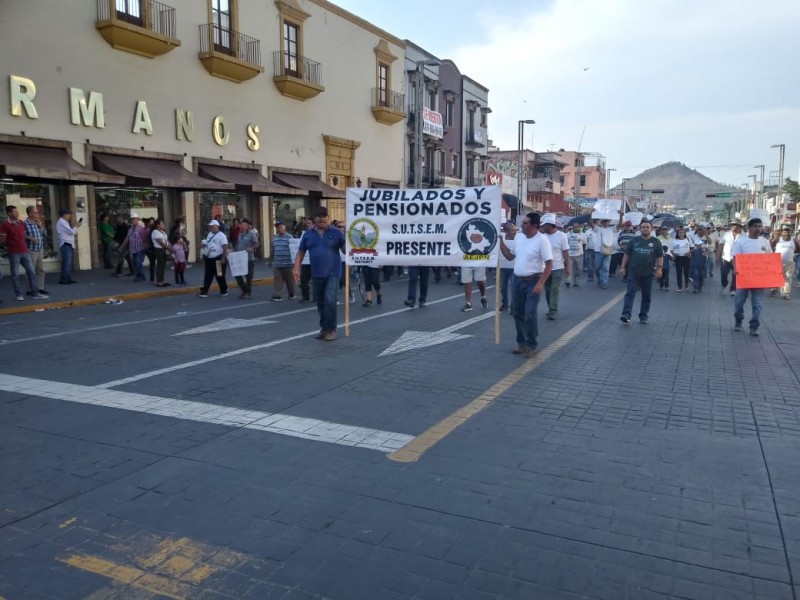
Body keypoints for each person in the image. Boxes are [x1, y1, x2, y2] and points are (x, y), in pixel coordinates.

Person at [499, 212, 553, 357]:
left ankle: (531, 345)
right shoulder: (520, 237)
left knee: (530, 314)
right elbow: (510, 256)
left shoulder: (542, 240)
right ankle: (521, 343)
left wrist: (541, 283)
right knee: (517, 312)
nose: (522, 225)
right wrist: (500, 242)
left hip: (533, 281)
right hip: (517, 280)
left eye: (526, 223)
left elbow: (549, 264)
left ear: (535, 226)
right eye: (522, 222)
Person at [293, 206, 345, 341]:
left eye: (324, 216)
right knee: (320, 303)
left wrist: (351, 242)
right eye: (319, 216)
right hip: (316, 273)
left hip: (333, 273)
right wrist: (296, 268)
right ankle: (324, 328)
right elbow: (300, 253)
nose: (322, 218)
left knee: (330, 300)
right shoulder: (308, 235)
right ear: (314, 219)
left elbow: (345, 250)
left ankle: (332, 329)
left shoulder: (337, 233)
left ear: (328, 218)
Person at [732, 217, 772, 336]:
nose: (757, 229)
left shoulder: (765, 242)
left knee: (757, 304)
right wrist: (735, 268)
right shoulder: (741, 242)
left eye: (759, 226)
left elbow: (770, 259)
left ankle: (754, 326)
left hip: (759, 279)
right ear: (748, 228)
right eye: (755, 226)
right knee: (739, 302)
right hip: (743, 278)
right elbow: (735, 257)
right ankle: (738, 320)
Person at [619, 220, 663, 325]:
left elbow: (660, 256)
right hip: (633, 272)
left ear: (651, 229)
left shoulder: (656, 242)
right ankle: (626, 314)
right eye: (643, 227)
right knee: (629, 293)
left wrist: (659, 268)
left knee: (646, 296)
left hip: (648, 273)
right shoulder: (634, 241)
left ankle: (643, 315)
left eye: (647, 227)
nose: (645, 229)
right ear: (639, 229)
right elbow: (627, 254)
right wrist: (622, 267)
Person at [1, 205, 47, 300]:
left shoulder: (21, 223)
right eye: (14, 212)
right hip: (14, 252)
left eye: (17, 211)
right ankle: (19, 294)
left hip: (24, 250)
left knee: (32, 272)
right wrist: (11, 242)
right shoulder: (5, 225)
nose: (17, 213)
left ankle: (35, 293)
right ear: (9, 213)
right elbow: (2, 239)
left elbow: (24, 235)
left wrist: (29, 237)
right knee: (15, 274)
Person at [540, 214, 569, 320]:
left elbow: (565, 252)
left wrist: (568, 267)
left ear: (550, 225)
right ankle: (550, 308)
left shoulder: (562, 236)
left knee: (554, 288)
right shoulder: (543, 237)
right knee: (547, 290)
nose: (542, 227)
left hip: (558, 267)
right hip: (545, 267)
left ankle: (553, 310)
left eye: (544, 226)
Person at [196, 219, 228, 298]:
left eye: (212, 227)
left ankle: (223, 290)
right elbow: (207, 243)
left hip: (218, 258)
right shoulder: (210, 234)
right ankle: (204, 291)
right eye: (210, 227)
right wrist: (203, 245)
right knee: (208, 275)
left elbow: (225, 247)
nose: (211, 228)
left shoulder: (222, 235)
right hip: (209, 258)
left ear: (217, 227)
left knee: (220, 275)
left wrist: (223, 258)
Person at [24, 206, 48, 296]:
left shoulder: (37, 222)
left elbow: (44, 234)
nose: (38, 214)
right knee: (31, 270)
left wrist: (40, 226)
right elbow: (21, 235)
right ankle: (29, 289)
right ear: (30, 214)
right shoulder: (25, 223)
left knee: (40, 270)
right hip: (31, 249)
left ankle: (40, 287)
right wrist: (30, 238)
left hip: (39, 249)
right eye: (36, 212)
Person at [771, 224, 799, 300]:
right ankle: (774, 288)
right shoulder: (778, 239)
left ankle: (786, 293)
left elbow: (798, 249)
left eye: (788, 231)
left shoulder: (794, 240)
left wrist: (792, 254)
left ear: (791, 232)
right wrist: (774, 239)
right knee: (777, 276)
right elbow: (770, 246)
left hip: (789, 262)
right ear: (782, 233)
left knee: (787, 278)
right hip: (777, 261)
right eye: (785, 232)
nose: (786, 233)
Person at [270, 220, 296, 301]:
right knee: (277, 280)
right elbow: (272, 250)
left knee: (290, 281)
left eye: (281, 226)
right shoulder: (274, 238)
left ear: (285, 227)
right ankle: (277, 295)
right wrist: (271, 260)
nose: (279, 228)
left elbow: (294, 251)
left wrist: (295, 263)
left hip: (287, 264)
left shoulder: (290, 238)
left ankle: (292, 294)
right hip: (277, 263)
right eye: (278, 227)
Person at [235, 218, 260, 299]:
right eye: (240, 224)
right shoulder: (239, 234)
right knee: (237, 275)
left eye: (241, 224)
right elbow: (238, 245)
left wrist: (251, 248)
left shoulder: (251, 234)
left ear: (246, 225)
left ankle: (248, 292)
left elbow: (257, 244)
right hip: (239, 258)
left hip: (249, 258)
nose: (240, 225)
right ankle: (244, 290)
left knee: (248, 276)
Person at [56, 207, 81, 284]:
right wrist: (76, 226)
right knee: (67, 263)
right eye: (68, 214)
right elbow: (71, 232)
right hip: (66, 245)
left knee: (67, 263)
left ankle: (67, 277)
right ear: (64, 215)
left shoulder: (64, 222)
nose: (70, 216)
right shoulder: (62, 222)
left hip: (68, 245)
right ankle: (64, 279)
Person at [119, 213, 146, 281]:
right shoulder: (130, 229)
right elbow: (127, 238)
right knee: (135, 262)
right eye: (132, 219)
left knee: (137, 262)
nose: (133, 220)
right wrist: (122, 246)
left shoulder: (141, 228)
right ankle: (139, 275)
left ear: (137, 220)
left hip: (140, 248)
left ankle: (140, 275)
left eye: (134, 219)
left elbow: (145, 237)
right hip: (133, 249)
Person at [717, 221, 742, 296]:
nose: (734, 227)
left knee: (735, 274)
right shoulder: (726, 234)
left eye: (736, 225)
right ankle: (724, 284)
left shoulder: (743, 236)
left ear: (739, 227)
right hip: (726, 257)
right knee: (723, 272)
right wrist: (718, 256)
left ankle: (733, 289)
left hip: (738, 258)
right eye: (733, 225)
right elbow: (721, 244)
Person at [592, 217, 616, 289]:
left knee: (605, 267)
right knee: (597, 267)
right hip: (598, 251)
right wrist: (591, 214)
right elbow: (591, 223)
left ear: (609, 222)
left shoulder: (612, 229)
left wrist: (620, 215)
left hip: (608, 250)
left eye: (607, 221)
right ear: (601, 223)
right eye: (604, 222)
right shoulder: (598, 229)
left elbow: (620, 225)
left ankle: (604, 282)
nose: (606, 223)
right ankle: (600, 279)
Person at [498, 222, 516, 312]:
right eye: (512, 230)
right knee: (503, 287)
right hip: (503, 267)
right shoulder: (501, 237)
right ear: (506, 231)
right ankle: (505, 303)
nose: (514, 232)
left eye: (514, 230)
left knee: (513, 287)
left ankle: (513, 306)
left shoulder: (518, 239)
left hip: (514, 267)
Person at [150, 218, 171, 287]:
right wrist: (170, 248)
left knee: (163, 265)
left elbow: (166, 241)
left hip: (163, 250)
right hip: (159, 250)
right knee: (160, 265)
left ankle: (162, 280)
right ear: (158, 225)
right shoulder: (155, 232)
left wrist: (170, 246)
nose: (163, 225)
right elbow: (161, 242)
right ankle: (159, 281)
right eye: (162, 224)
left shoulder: (163, 232)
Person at [298, 217, 314, 302]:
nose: (307, 224)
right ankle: (305, 296)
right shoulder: (304, 234)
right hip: (305, 261)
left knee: (316, 280)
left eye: (309, 223)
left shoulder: (316, 234)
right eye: (307, 223)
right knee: (303, 280)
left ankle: (316, 297)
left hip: (314, 261)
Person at [566, 222, 585, 288]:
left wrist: (582, 252)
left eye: (577, 226)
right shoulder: (568, 234)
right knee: (569, 268)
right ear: (573, 227)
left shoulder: (583, 235)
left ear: (579, 227)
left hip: (579, 254)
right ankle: (568, 281)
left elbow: (584, 244)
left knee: (578, 269)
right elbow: (566, 244)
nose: (576, 227)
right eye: (575, 226)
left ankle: (576, 282)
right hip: (570, 254)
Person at [656, 226, 672, 291]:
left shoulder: (671, 238)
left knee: (666, 275)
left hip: (668, 256)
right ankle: (661, 285)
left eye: (666, 230)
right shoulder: (657, 238)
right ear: (661, 231)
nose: (664, 231)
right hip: (659, 256)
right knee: (660, 274)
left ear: (667, 231)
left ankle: (666, 286)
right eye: (663, 230)